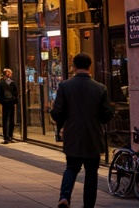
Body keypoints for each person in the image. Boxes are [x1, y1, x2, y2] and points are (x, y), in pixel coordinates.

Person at [50, 52, 113, 208]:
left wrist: (63, 125)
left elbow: (57, 112)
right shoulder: (100, 88)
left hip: (73, 136)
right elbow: (106, 116)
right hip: (93, 136)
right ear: (89, 67)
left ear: (74, 66)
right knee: (91, 173)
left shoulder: (65, 86)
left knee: (71, 168)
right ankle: (88, 205)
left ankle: (64, 197)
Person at [0, 68, 19, 143]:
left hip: (7, 102)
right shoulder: (11, 83)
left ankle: (7, 137)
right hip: (10, 102)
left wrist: (2, 101)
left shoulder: (1, 83)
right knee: (10, 119)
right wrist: (14, 100)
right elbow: (16, 93)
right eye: (10, 73)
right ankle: (9, 136)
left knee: (7, 119)